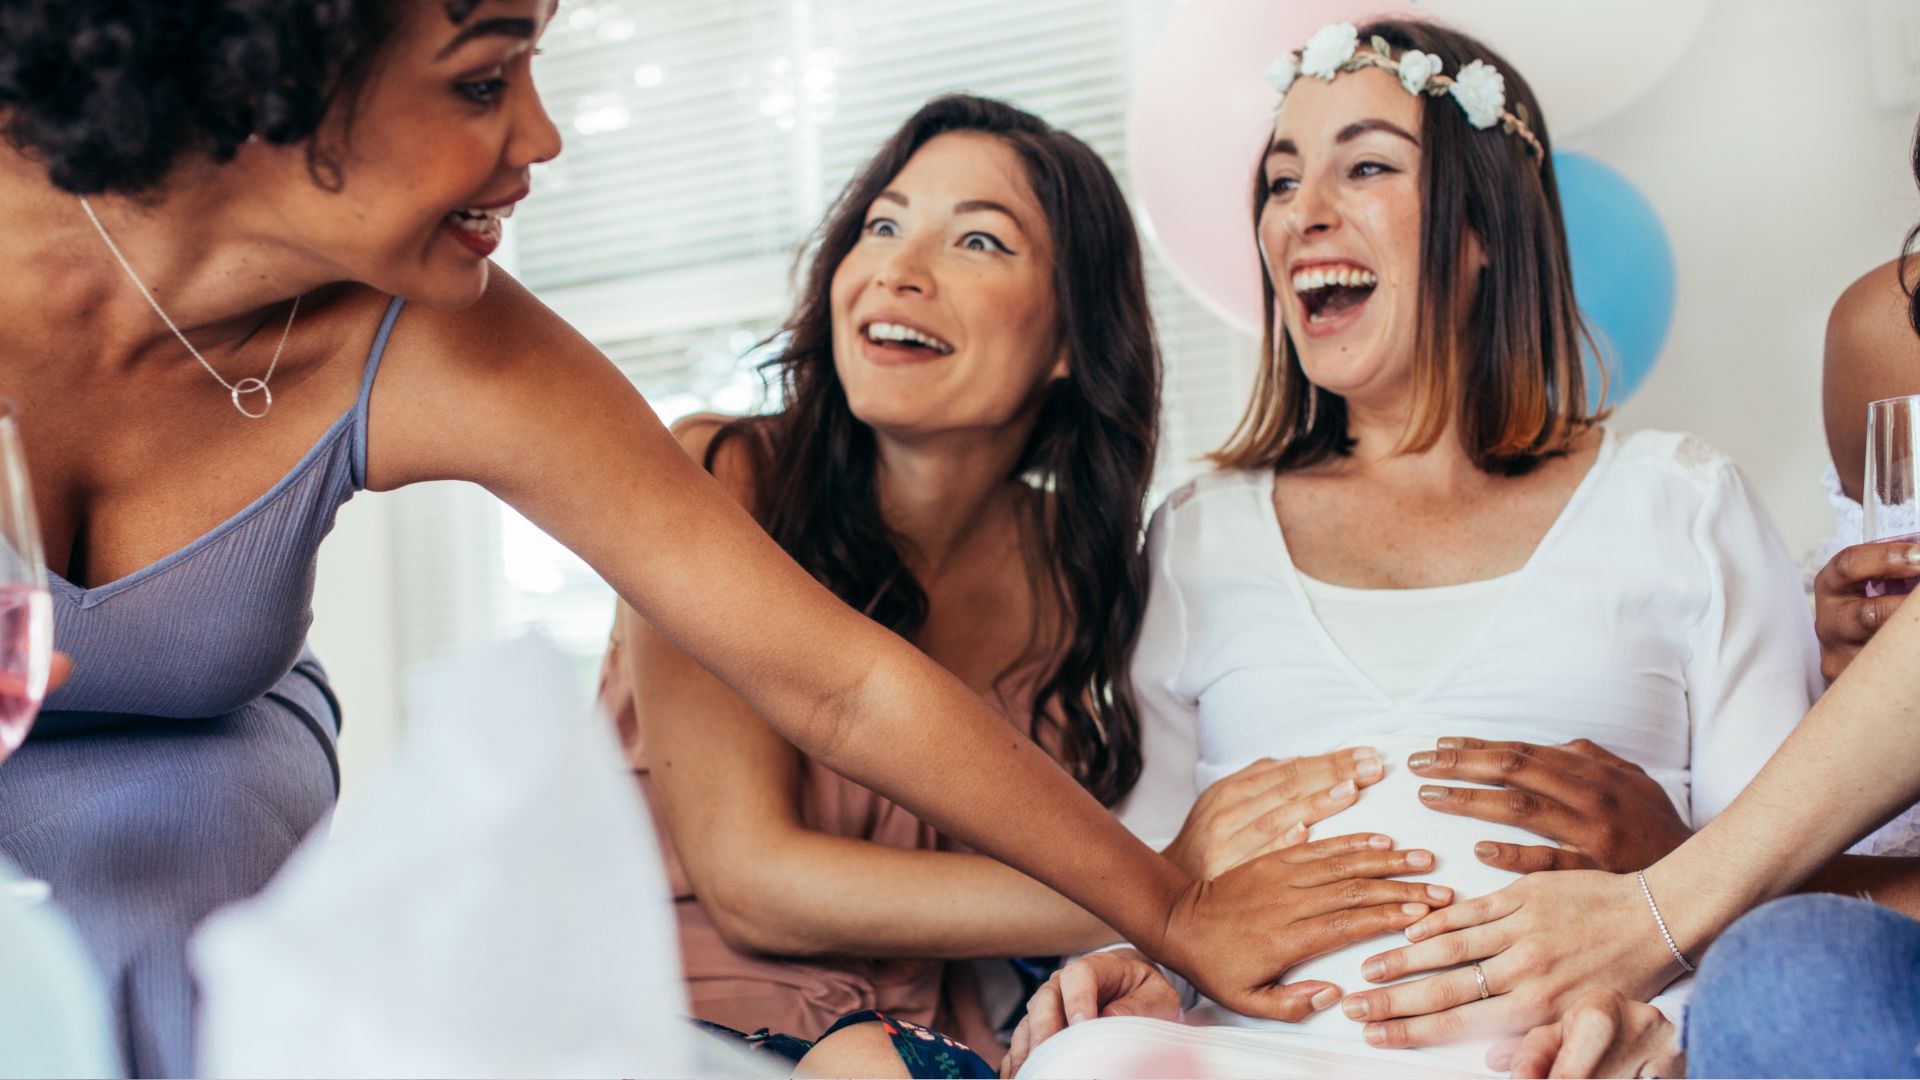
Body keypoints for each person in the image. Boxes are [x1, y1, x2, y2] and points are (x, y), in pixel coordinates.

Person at [0, 2, 1408, 1073]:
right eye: (485, 81)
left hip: (215, 860)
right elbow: (750, 874)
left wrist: (1167, 911)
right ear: (274, 73)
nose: (540, 136)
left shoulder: (441, 347)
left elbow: (836, 678)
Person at [996, 18, 1818, 1077]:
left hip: (1564, 1053)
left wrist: (1677, 889)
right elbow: (1155, 882)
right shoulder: (1203, 537)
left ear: (1483, 229)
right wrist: (1133, 960)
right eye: (1280, 183)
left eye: (1366, 166)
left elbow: (1788, 883)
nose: (1304, 215)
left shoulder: (1680, 503)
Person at [599, 94, 1423, 1077]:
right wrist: (1164, 892)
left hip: (933, 1040)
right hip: (673, 1022)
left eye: (978, 242)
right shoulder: (724, 475)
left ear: (1071, 341)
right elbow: (751, 881)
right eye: (883, 225)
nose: (898, 272)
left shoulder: (1082, 574)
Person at [1470, 122, 1920, 1080]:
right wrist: (1862, 665)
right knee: (1783, 974)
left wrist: (1672, 896)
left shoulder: (1679, 494)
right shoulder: (1890, 334)